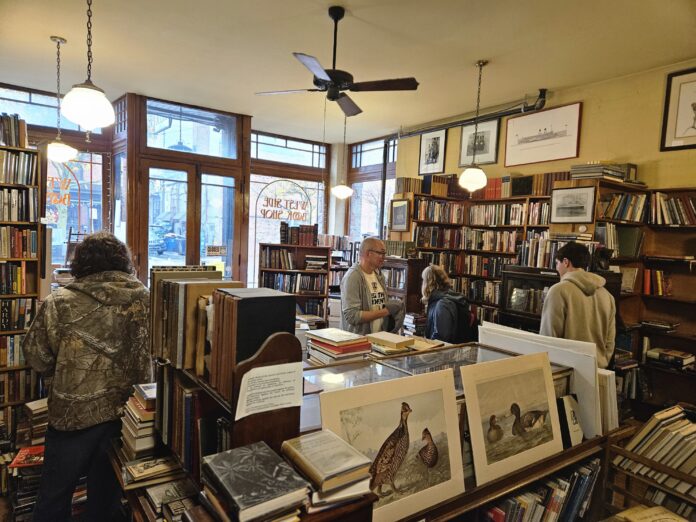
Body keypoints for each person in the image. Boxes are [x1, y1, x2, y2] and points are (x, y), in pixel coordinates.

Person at [22, 232, 151, 522]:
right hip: (127, 416)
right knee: (106, 498)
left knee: (54, 496)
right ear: (123, 261)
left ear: (80, 263)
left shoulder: (60, 302)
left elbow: (36, 355)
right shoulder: (145, 297)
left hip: (73, 416)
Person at [540, 241, 616, 368]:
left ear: (566, 262)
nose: (557, 268)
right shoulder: (607, 295)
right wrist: (601, 362)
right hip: (597, 369)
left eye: (557, 263)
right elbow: (610, 341)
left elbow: (548, 338)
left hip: (565, 370)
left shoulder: (558, 291)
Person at [340, 237, 404, 335]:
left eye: (384, 253)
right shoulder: (353, 277)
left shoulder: (379, 275)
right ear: (368, 253)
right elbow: (352, 316)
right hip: (358, 342)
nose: (383, 257)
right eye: (380, 253)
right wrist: (386, 311)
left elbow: (377, 304)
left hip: (378, 339)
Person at [421, 264, 474, 343]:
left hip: (445, 352)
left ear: (428, 283)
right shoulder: (448, 296)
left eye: (423, 280)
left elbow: (441, 338)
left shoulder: (442, 304)